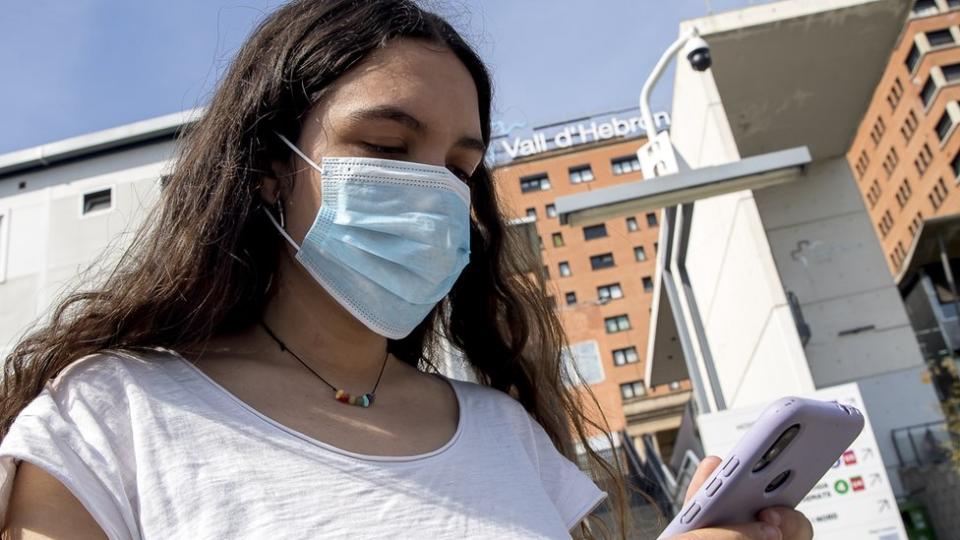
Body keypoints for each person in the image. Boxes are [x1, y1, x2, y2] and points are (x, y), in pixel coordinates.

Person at [0, 1, 812, 539]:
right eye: (387, 148)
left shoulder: (508, 436)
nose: (435, 192)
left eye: (461, 167)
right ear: (269, 169)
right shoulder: (112, 417)